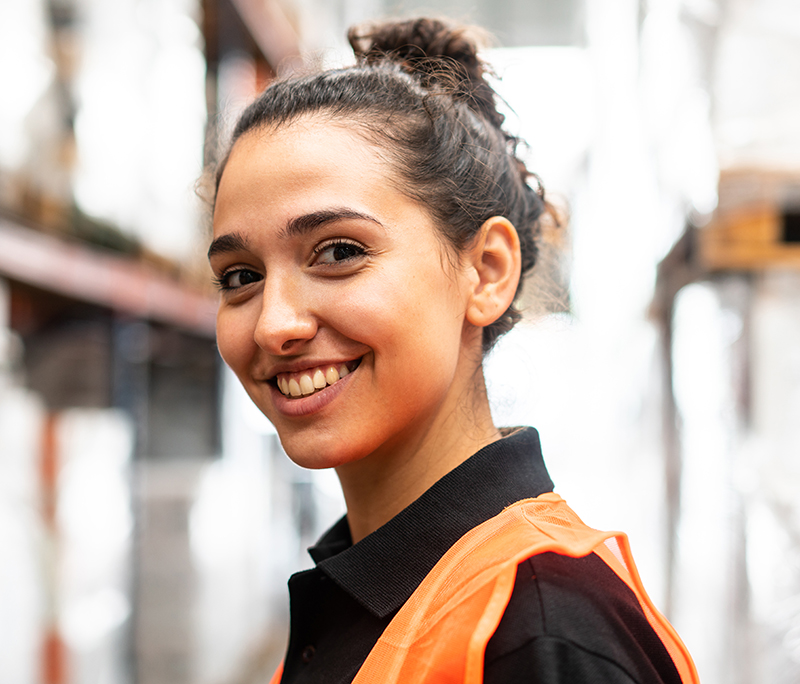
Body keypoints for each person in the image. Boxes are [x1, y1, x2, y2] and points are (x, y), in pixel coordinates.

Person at [207, 16, 698, 684]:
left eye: (339, 253)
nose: (273, 325)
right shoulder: (370, 595)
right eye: (241, 277)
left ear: (487, 271)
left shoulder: (539, 630)